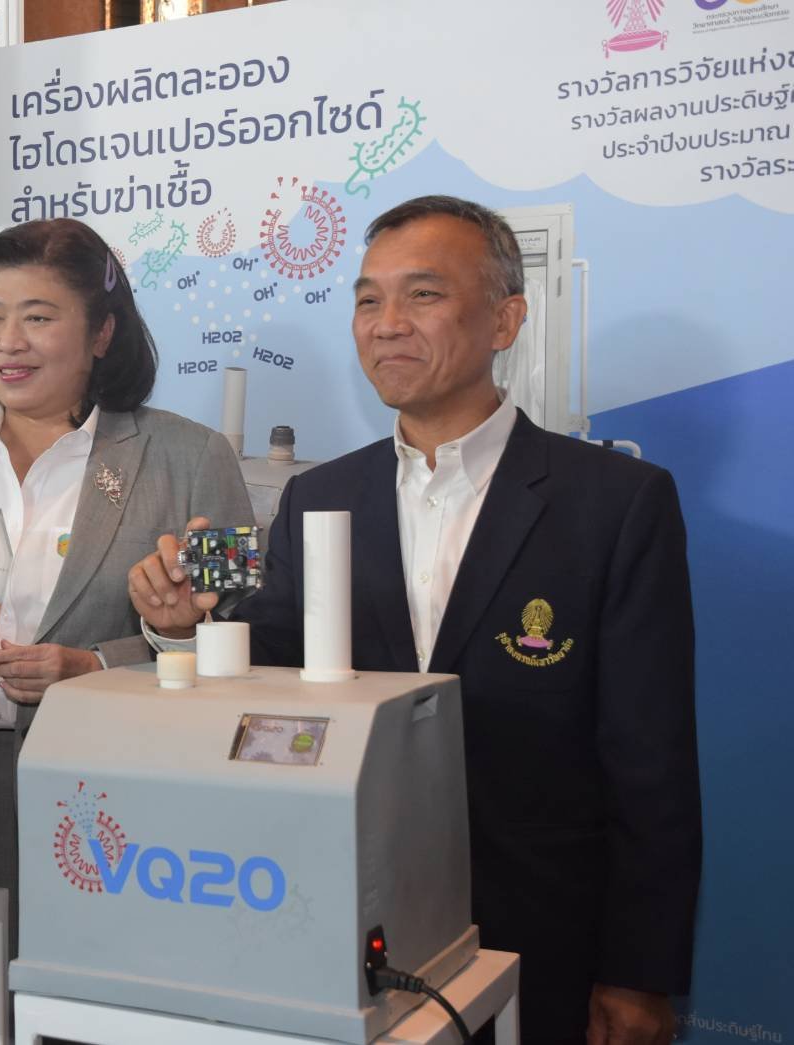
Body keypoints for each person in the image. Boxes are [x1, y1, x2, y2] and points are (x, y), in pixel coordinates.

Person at [129, 196, 700, 1045]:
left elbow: (651, 759)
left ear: (504, 319)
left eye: (422, 294)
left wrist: (637, 971)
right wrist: (185, 628)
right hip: (348, 919)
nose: (386, 323)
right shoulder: (318, 495)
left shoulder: (614, 503)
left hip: (541, 931)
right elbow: (274, 675)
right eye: (367, 299)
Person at [0, 217, 253, 1040]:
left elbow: (249, 637)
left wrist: (96, 666)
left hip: (119, 799)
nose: (8, 341)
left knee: (110, 1011)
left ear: (101, 333)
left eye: (38, 316)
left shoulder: (193, 456)